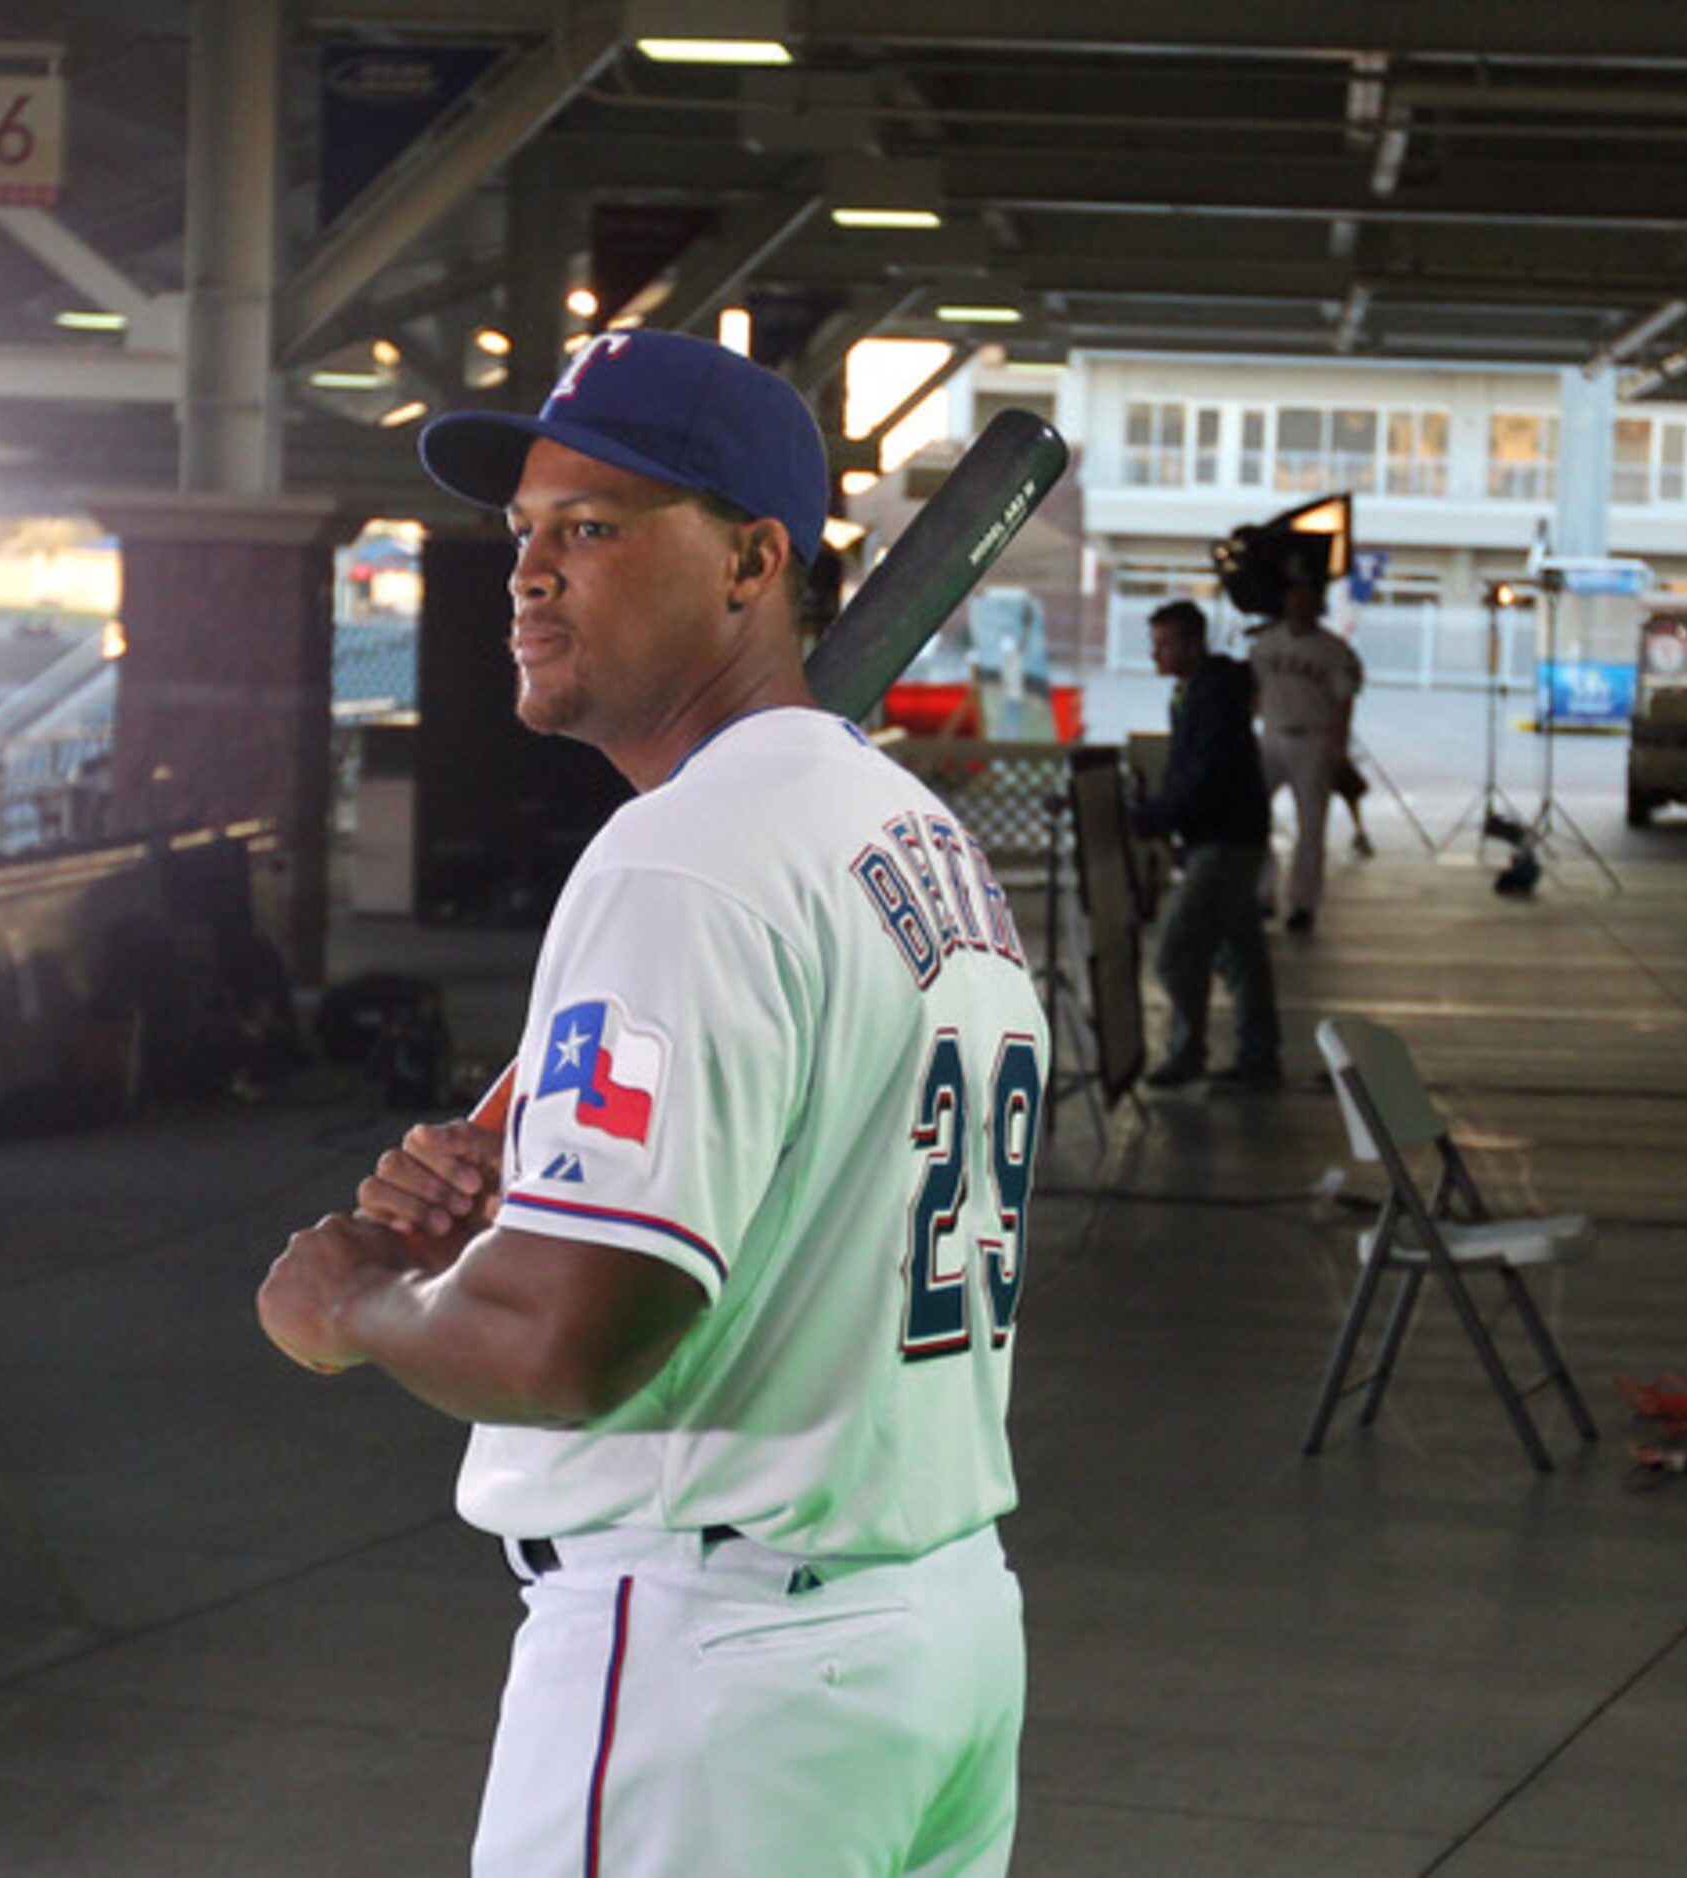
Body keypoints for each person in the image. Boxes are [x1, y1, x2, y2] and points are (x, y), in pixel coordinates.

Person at [255, 330, 1041, 1878]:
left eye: (595, 527)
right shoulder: (913, 839)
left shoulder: (683, 857)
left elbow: (563, 1343)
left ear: (753, 561)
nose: (531, 574)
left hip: (713, 1663)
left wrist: (364, 1299)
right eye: (525, 534)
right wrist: (534, 1192)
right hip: (930, 1636)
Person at [1131, 600, 1283, 1090]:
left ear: (1193, 644)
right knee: (1241, 952)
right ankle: (1258, 1058)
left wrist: (1157, 817)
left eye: (1165, 643)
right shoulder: (1201, 693)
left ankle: (1188, 1050)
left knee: (1178, 948)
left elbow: (1203, 777)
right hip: (1229, 835)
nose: (1156, 653)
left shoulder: (1211, 698)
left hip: (1224, 839)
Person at [1247, 562, 1365, 932]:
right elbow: (1252, 691)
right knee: (1252, 818)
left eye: (1306, 598)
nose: (1298, 605)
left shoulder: (1331, 650)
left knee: (1311, 826)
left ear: (1317, 604)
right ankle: (1262, 893)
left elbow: (1345, 698)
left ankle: (1303, 902)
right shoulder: (1266, 644)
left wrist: (1338, 745)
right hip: (1273, 733)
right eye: (1293, 598)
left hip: (1313, 736)